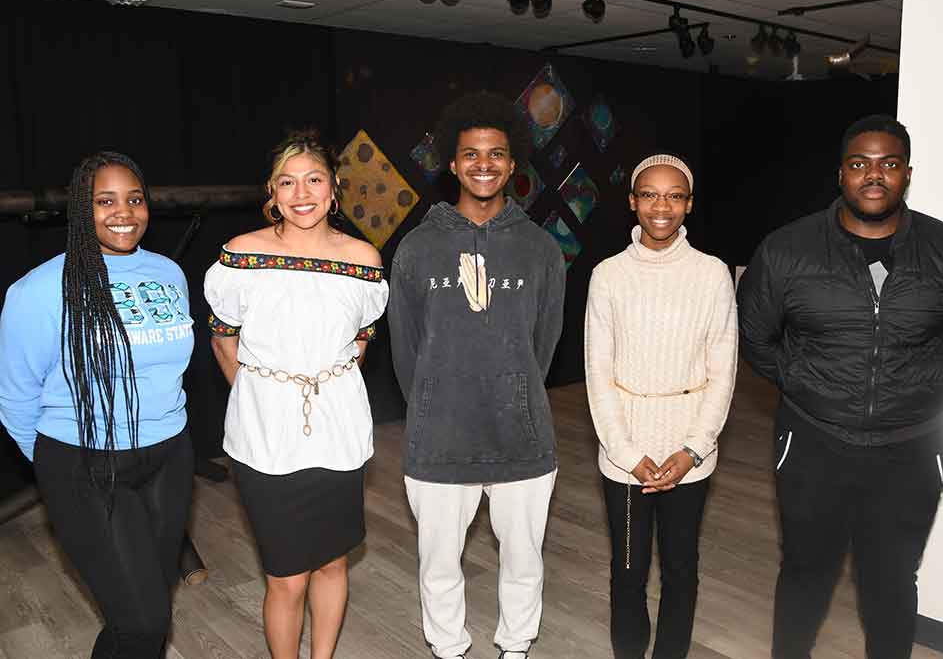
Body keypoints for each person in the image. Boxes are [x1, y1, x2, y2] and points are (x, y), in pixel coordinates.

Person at [737, 115, 943, 659]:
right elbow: (757, 339)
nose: (873, 175)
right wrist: (807, 383)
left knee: (892, 578)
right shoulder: (788, 249)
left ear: (907, 174)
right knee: (806, 571)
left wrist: (920, 389)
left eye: (888, 164)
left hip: (912, 448)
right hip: (812, 442)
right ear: (841, 174)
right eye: (860, 164)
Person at [387, 91, 566, 659]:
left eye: (495, 154)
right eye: (471, 154)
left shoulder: (540, 249)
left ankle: (517, 647)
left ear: (514, 166)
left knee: (523, 562)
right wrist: (438, 400)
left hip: (523, 437)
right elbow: (405, 351)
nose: (483, 164)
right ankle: (449, 649)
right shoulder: (416, 249)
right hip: (439, 440)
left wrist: (512, 389)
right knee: (438, 565)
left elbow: (545, 345)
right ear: (452, 163)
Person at [0, 152, 196, 658]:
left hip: (169, 457)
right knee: (144, 620)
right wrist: (57, 468)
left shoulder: (169, 273)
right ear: (79, 209)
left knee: (145, 610)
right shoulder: (39, 291)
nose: (123, 212)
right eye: (103, 201)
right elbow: (16, 396)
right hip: (84, 464)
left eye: (134, 199)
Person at [204, 131, 387, 659]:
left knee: (332, 561)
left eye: (313, 179)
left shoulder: (363, 258)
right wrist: (263, 399)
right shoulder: (242, 255)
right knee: (286, 576)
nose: (301, 192)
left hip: (339, 433)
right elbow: (223, 338)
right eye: (288, 182)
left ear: (334, 190)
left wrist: (320, 389)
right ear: (272, 191)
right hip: (265, 438)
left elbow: (360, 342)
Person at [585, 153, 737, 659]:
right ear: (632, 202)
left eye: (674, 195)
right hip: (625, 455)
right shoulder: (607, 275)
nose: (661, 205)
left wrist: (693, 449)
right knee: (627, 573)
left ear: (689, 205)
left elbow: (723, 373)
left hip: (688, 454)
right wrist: (627, 452)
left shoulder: (713, 275)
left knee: (681, 570)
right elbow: (597, 375)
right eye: (649, 193)